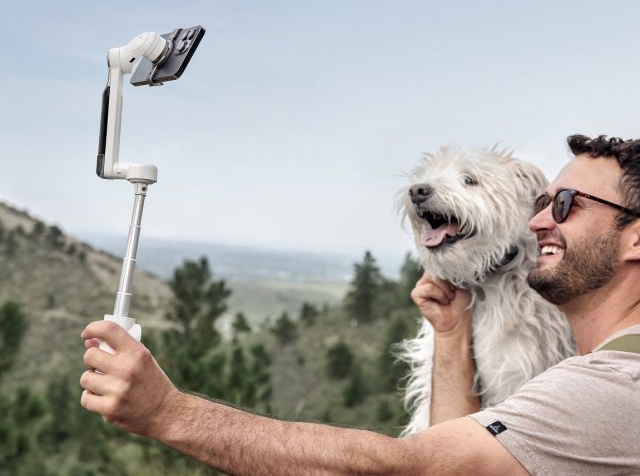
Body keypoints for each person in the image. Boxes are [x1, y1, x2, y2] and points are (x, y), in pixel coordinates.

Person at [80, 134, 640, 475]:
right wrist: (450, 337)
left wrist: (169, 414)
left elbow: (416, 471)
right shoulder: (591, 370)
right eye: (541, 203)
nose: (538, 219)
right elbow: (452, 452)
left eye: (565, 204)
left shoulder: (612, 389)